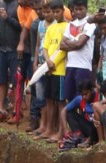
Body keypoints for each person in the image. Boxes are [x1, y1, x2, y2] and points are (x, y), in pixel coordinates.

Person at [0, 0, 23, 121]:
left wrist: (7, 18)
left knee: (16, 81)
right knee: (0, 80)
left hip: (14, 47)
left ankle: (15, 111)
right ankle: (0, 110)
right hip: (0, 47)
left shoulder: (18, 5)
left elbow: (21, 27)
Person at [61, 0, 97, 114]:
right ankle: (73, 128)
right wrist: (76, 45)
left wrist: (71, 42)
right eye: (76, 9)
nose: (78, 12)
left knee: (82, 99)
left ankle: (82, 127)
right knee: (70, 98)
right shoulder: (70, 24)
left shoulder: (90, 24)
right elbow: (62, 45)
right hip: (70, 65)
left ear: (86, 8)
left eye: (81, 9)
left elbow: (80, 43)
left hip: (83, 66)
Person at [39, 0, 67, 139]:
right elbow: (44, 48)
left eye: (57, 11)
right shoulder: (50, 28)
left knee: (61, 102)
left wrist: (52, 62)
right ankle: (49, 129)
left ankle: (61, 132)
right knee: (49, 100)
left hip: (60, 70)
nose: (55, 14)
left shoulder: (68, 27)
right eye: (53, 12)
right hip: (48, 68)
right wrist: (48, 61)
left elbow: (64, 49)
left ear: (63, 10)